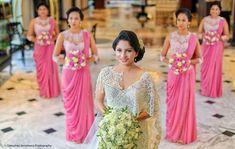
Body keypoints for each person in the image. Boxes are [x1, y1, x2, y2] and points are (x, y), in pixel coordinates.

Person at [83, 30, 161, 149]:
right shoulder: (105, 73)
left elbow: (151, 109)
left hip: (136, 134)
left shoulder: (146, 78)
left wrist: (129, 122)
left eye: (128, 50)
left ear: (136, 52)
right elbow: (98, 101)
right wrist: (112, 119)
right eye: (119, 50)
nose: (123, 55)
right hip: (111, 133)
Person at [53, 7, 98, 143]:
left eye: (76, 18)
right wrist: (67, 61)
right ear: (67, 20)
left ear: (81, 20)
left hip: (83, 73)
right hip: (68, 74)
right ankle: (73, 133)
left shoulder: (87, 35)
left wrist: (84, 61)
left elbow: (95, 55)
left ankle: (85, 132)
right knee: (71, 105)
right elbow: (55, 56)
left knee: (84, 103)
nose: (73, 21)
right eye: (71, 18)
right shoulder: (62, 35)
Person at [161, 8, 201, 144]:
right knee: (173, 102)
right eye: (178, 19)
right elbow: (162, 56)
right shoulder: (170, 36)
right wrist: (172, 63)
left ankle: (184, 134)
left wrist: (187, 62)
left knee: (185, 102)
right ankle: (173, 132)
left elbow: (199, 58)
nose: (180, 23)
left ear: (189, 22)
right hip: (174, 74)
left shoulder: (193, 38)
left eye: (184, 20)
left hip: (187, 75)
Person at [27, 2, 60, 98]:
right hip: (39, 48)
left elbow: (58, 34)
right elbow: (29, 35)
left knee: (50, 68)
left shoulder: (52, 20)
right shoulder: (33, 21)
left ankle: (52, 90)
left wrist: (50, 39)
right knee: (41, 69)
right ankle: (43, 90)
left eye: (44, 9)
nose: (42, 11)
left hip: (50, 48)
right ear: (37, 11)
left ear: (48, 10)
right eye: (40, 9)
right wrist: (37, 40)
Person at [198, 1, 229, 98]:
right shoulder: (204, 20)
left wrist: (218, 38)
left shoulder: (223, 21)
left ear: (220, 11)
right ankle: (205, 88)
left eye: (216, 9)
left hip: (217, 47)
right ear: (209, 10)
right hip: (206, 46)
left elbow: (227, 35)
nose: (214, 11)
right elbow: (199, 33)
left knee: (215, 67)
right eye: (212, 9)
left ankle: (214, 90)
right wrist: (206, 36)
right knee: (205, 67)